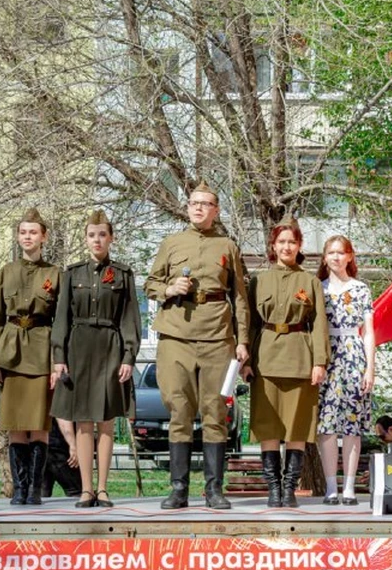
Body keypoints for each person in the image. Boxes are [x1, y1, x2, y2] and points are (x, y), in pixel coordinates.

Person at [144, 181, 251, 510]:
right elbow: (150, 283)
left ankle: (213, 490)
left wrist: (243, 340)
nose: (198, 208)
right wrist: (169, 288)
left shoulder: (227, 246)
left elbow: (240, 299)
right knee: (179, 411)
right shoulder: (172, 243)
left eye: (205, 204)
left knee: (215, 413)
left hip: (218, 338)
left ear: (216, 210)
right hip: (176, 337)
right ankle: (178, 489)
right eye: (193, 203)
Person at [51, 210, 141, 508]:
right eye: (92, 235)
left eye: (102, 234)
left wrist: (128, 355)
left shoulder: (123, 274)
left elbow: (130, 318)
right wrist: (59, 356)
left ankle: (103, 489)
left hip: (110, 348)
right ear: (86, 238)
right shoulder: (72, 273)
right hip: (79, 348)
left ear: (111, 238)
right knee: (83, 420)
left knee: (106, 420)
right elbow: (61, 318)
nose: (97, 240)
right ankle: (86, 490)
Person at [242, 216, 329, 508]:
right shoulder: (259, 280)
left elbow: (318, 325)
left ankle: (290, 487)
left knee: (297, 426)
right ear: (273, 245)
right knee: (268, 425)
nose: (287, 247)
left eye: (292, 241)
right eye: (281, 242)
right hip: (265, 358)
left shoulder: (310, 281)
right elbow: (251, 323)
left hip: (300, 360)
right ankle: (273, 488)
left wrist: (320, 362)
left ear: (300, 245)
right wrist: (246, 361)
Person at [0, 207, 59, 505]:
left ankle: (35, 490)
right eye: (23, 232)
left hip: (41, 352)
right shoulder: (7, 271)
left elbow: (61, 323)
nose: (28, 237)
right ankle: (19, 488)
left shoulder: (54, 274)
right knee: (16, 425)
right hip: (11, 353)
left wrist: (57, 362)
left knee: (39, 425)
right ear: (18, 237)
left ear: (44, 237)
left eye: (33, 232)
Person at [315, 235, 375, 506]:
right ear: (325, 257)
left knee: (351, 426)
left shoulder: (361, 289)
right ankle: (330, 486)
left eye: (341, 252)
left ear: (350, 257)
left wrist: (370, 368)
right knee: (326, 425)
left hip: (353, 355)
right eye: (331, 252)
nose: (336, 257)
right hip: (325, 355)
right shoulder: (318, 288)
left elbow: (369, 332)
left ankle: (349, 487)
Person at [42, 418, 81, 498]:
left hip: (41, 448)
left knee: (41, 494)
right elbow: (63, 418)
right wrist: (73, 445)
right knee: (76, 491)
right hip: (60, 450)